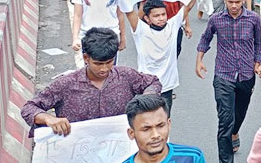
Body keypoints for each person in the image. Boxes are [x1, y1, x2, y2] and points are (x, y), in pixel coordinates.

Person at [21, 28, 161, 136]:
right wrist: (48, 119)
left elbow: (153, 82)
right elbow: (28, 109)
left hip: (120, 149)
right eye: (98, 63)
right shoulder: (65, 84)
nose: (104, 69)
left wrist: (146, 99)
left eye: (109, 62)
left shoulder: (126, 76)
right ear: (86, 58)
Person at [196, 0, 261, 162]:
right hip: (223, 75)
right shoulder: (216, 20)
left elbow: (259, 42)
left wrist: (258, 63)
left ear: (243, 0)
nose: (234, 6)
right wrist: (199, 60)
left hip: (246, 75)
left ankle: (235, 132)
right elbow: (205, 38)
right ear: (224, 0)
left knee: (239, 115)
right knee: (225, 120)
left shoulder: (254, 19)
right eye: (230, 2)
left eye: (237, 2)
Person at [123, 94, 206, 163]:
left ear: (169, 124)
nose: (155, 135)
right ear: (131, 133)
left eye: (160, 126)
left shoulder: (192, 158)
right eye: (146, 129)